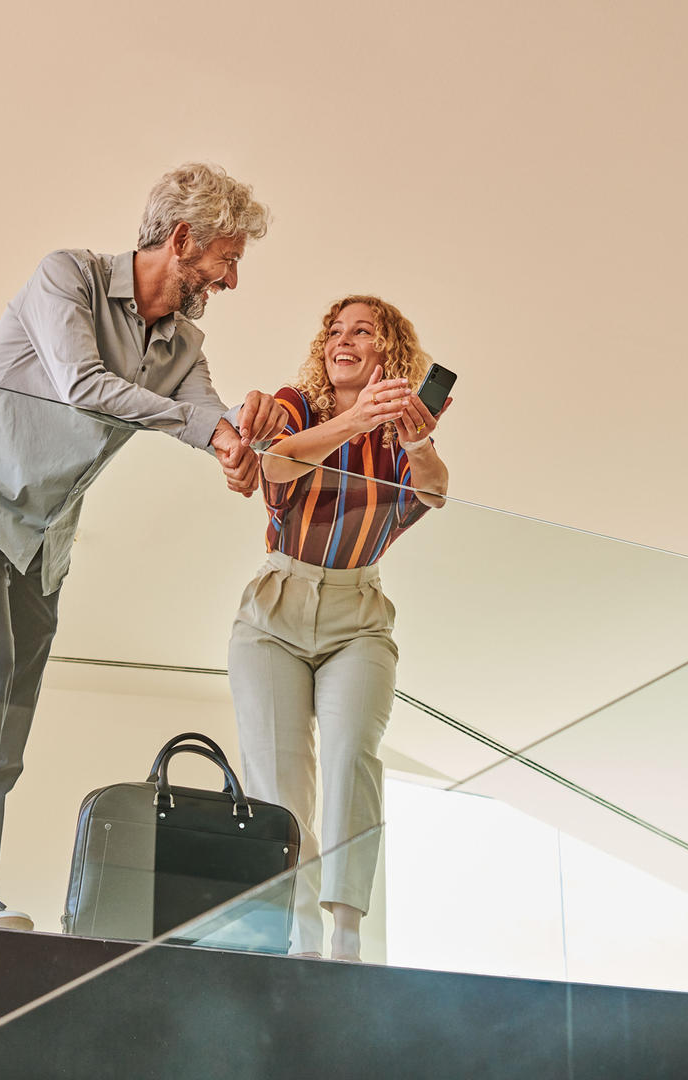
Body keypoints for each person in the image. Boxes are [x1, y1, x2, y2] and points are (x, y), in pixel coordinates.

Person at [0, 164, 286, 930]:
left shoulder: (183, 343)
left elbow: (207, 412)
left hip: (42, 544)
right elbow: (81, 383)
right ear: (182, 239)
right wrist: (209, 431)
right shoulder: (67, 278)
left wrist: (242, 438)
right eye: (227, 257)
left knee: (9, 722)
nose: (233, 278)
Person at [228, 295, 451, 960]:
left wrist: (414, 436)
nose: (342, 341)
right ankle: (299, 937)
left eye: (362, 331)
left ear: (390, 351)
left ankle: (348, 933)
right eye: (334, 331)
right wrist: (354, 419)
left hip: (359, 614)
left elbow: (434, 490)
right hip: (275, 611)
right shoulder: (300, 405)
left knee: (353, 756)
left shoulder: (402, 428)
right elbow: (276, 465)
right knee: (279, 781)